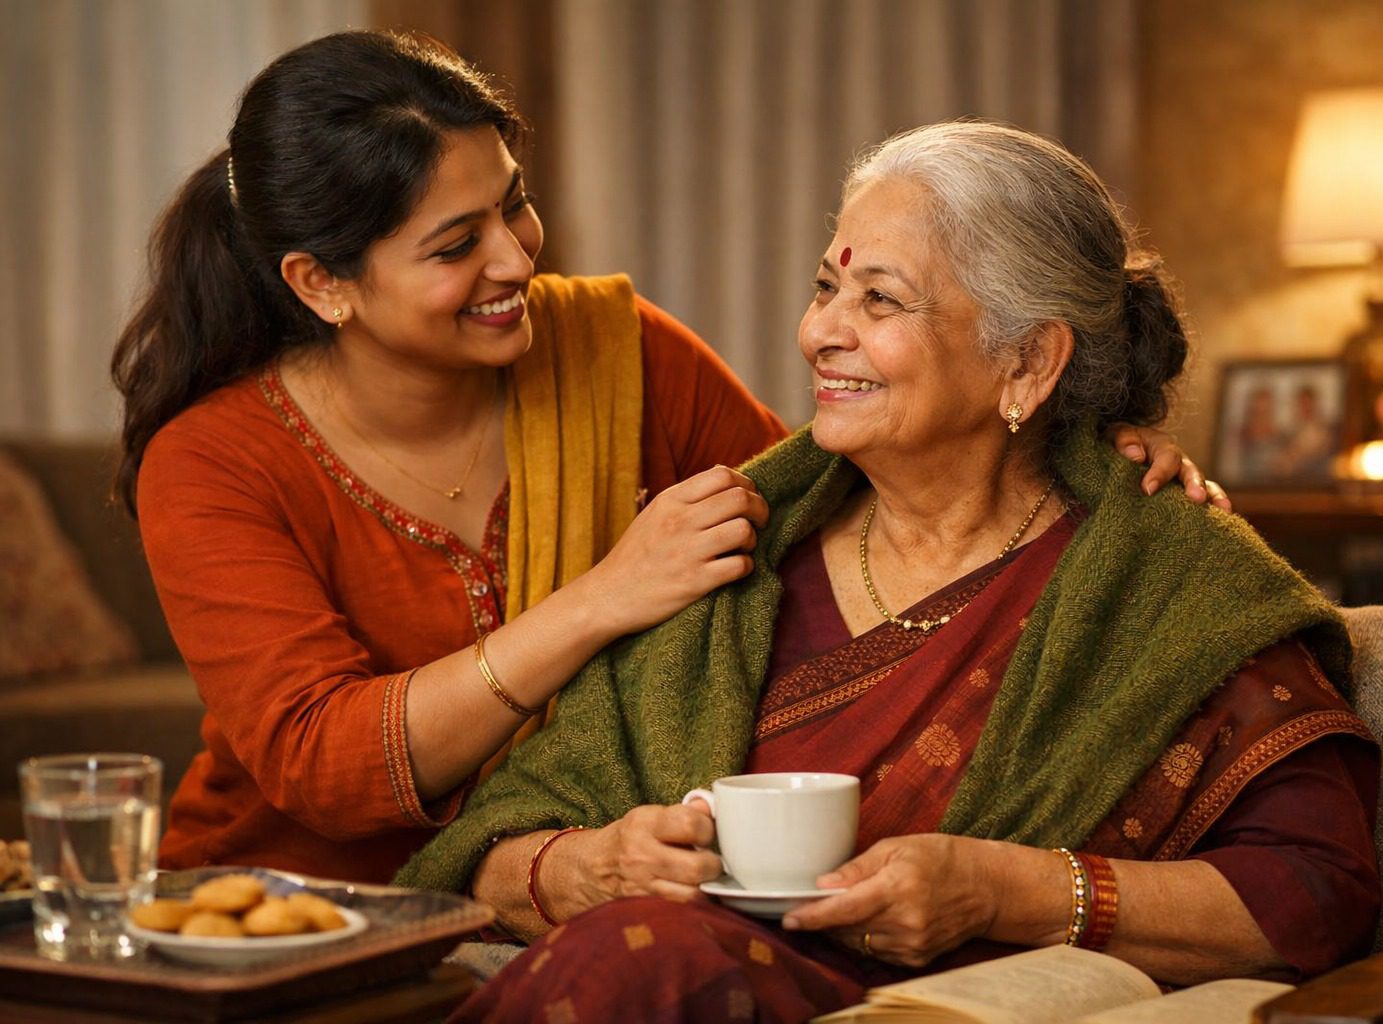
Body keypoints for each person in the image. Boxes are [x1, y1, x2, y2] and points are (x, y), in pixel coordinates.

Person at [110, 33, 1208, 884]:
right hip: (295, 922)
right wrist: (604, 597)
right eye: (455, 246)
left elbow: (823, 505)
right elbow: (325, 764)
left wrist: (1075, 438)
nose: (515, 259)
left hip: (592, 875)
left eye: (516, 205)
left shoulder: (616, 351)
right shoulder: (214, 460)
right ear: (321, 283)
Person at [396, 122, 1379, 1023]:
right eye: (827, 286)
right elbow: (484, 853)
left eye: (880, 300)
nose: (822, 331)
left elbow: (1314, 890)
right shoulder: (728, 554)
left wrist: (1002, 889)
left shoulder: (1164, 579)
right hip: (663, 981)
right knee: (631, 952)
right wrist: (578, 868)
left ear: (1028, 364)